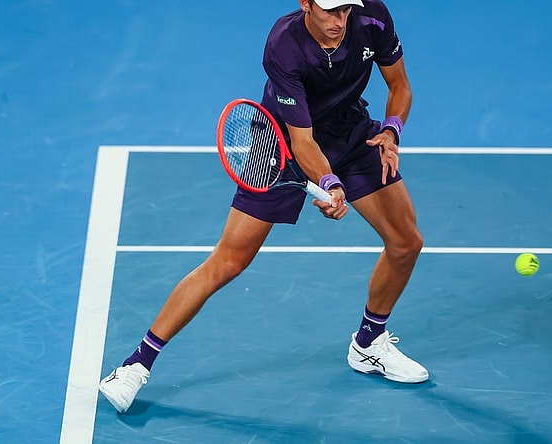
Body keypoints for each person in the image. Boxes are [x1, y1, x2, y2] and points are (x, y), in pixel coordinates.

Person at [99, 0, 428, 414]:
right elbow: (303, 142)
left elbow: (400, 86)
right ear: (305, 4)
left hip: (350, 134)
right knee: (228, 261)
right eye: (328, 11)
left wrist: (392, 131)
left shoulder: (374, 17)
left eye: (345, 10)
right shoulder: (284, 45)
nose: (338, 21)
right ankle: (134, 365)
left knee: (405, 242)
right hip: (282, 149)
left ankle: (368, 343)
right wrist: (328, 184)